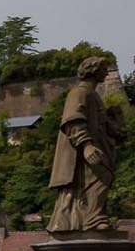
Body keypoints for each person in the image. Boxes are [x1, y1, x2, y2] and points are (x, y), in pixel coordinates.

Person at [48, 55, 123, 234]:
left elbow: (106, 128)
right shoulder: (79, 93)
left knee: (101, 178)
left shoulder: (93, 95)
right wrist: (86, 145)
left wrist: (116, 120)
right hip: (83, 151)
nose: (106, 72)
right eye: (104, 69)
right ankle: (92, 219)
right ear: (94, 71)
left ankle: (91, 218)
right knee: (100, 177)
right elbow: (73, 121)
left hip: (98, 147)